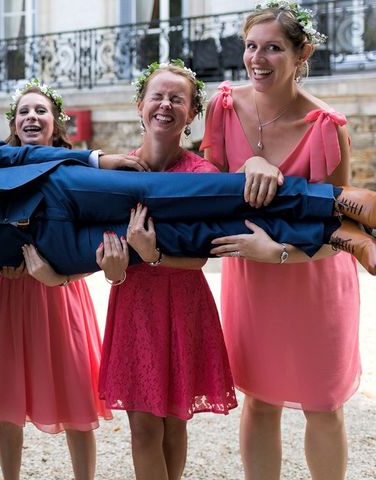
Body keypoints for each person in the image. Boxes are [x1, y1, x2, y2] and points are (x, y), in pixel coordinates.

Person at [0, 108, 376, 439]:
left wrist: (92, 159)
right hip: (50, 246)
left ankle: (340, 202)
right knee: (178, 235)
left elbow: (3, 156)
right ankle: (330, 237)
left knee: (182, 193)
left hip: (55, 188)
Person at [200, 2, 366, 478]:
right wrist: (247, 166)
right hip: (252, 283)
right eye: (251, 46)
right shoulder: (224, 106)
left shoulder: (325, 127)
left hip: (311, 279)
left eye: (273, 48)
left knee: (323, 405)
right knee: (260, 400)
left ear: (301, 53)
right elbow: (207, 186)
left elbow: (343, 229)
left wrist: (279, 252)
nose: (258, 58)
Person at [94, 61, 237, 480]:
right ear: (140, 105)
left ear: (192, 114)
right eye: (157, 96)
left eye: (178, 99)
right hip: (135, 303)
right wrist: (114, 270)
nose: (166, 105)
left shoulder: (203, 175)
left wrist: (153, 255)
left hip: (184, 302)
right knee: (142, 427)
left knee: (176, 422)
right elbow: (102, 247)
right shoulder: (115, 172)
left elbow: (203, 256)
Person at [0, 80, 112, 480]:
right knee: (7, 393)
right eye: (24, 111)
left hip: (61, 292)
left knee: (75, 390)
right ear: (14, 123)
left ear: (56, 122)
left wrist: (61, 274)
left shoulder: (74, 167)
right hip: (10, 292)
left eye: (40, 111)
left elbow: (93, 236)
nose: (31, 117)